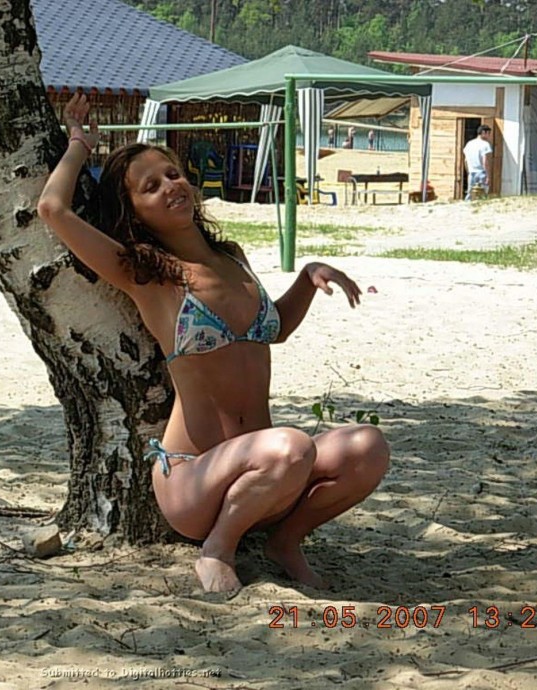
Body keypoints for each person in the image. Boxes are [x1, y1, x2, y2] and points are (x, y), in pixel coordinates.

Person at [37, 93, 390, 593]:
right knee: (290, 446)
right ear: (132, 210)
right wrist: (78, 145)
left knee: (367, 447)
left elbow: (274, 329)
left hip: (272, 473)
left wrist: (308, 277)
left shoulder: (232, 256)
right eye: (150, 187)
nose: (170, 187)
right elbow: (52, 208)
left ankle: (284, 541)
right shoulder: (147, 275)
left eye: (174, 174)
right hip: (195, 480)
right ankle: (217, 550)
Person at [463, 124, 492, 201]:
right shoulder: (485, 144)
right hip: (481, 173)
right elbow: (485, 161)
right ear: (483, 133)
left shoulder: (469, 144)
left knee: (470, 194)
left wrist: (468, 171)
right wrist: (488, 176)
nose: (489, 136)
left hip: (471, 172)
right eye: (488, 133)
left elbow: (466, 160)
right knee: (482, 195)